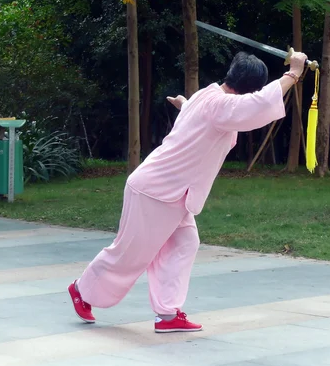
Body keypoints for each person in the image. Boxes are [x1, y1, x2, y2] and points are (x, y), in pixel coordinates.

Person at [68, 50, 307, 332]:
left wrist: (185, 105)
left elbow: (204, 112)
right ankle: (82, 290)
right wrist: (293, 74)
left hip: (175, 193)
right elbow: (257, 105)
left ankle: (168, 315)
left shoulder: (206, 96)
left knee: (184, 244)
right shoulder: (222, 105)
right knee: (130, 252)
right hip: (155, 190)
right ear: (250, 88)